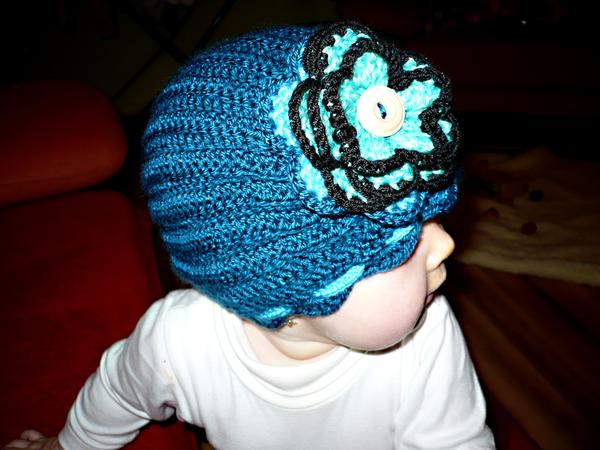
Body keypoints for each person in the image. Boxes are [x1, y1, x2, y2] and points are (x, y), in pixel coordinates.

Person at [4, 22, 495, 449]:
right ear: (285, 292)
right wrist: (67, 444)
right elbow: (117, 393)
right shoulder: (181, 341)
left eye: (432, 218)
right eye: (396, 247)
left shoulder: (426, 338)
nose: (445, 245)